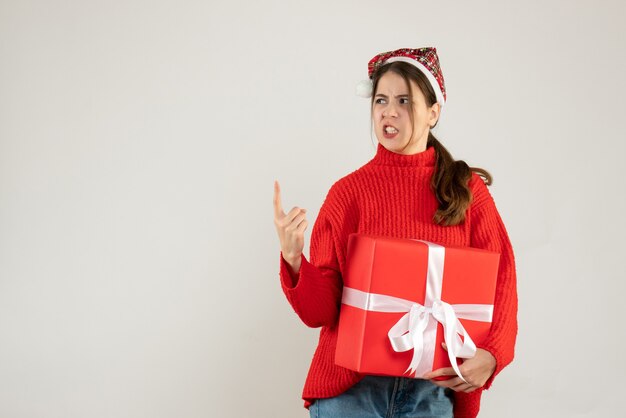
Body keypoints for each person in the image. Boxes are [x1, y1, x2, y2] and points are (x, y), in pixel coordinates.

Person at [272, 47, 518, 418]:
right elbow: (321, 312)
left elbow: (502, 282)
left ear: (434, 113)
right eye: (381, 100)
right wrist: (294, 261)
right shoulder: (348, 193)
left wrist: (493, 355)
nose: (389, 111)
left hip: (432, 393)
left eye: (404, 100)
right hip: (351, 393)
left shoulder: (466, 191)